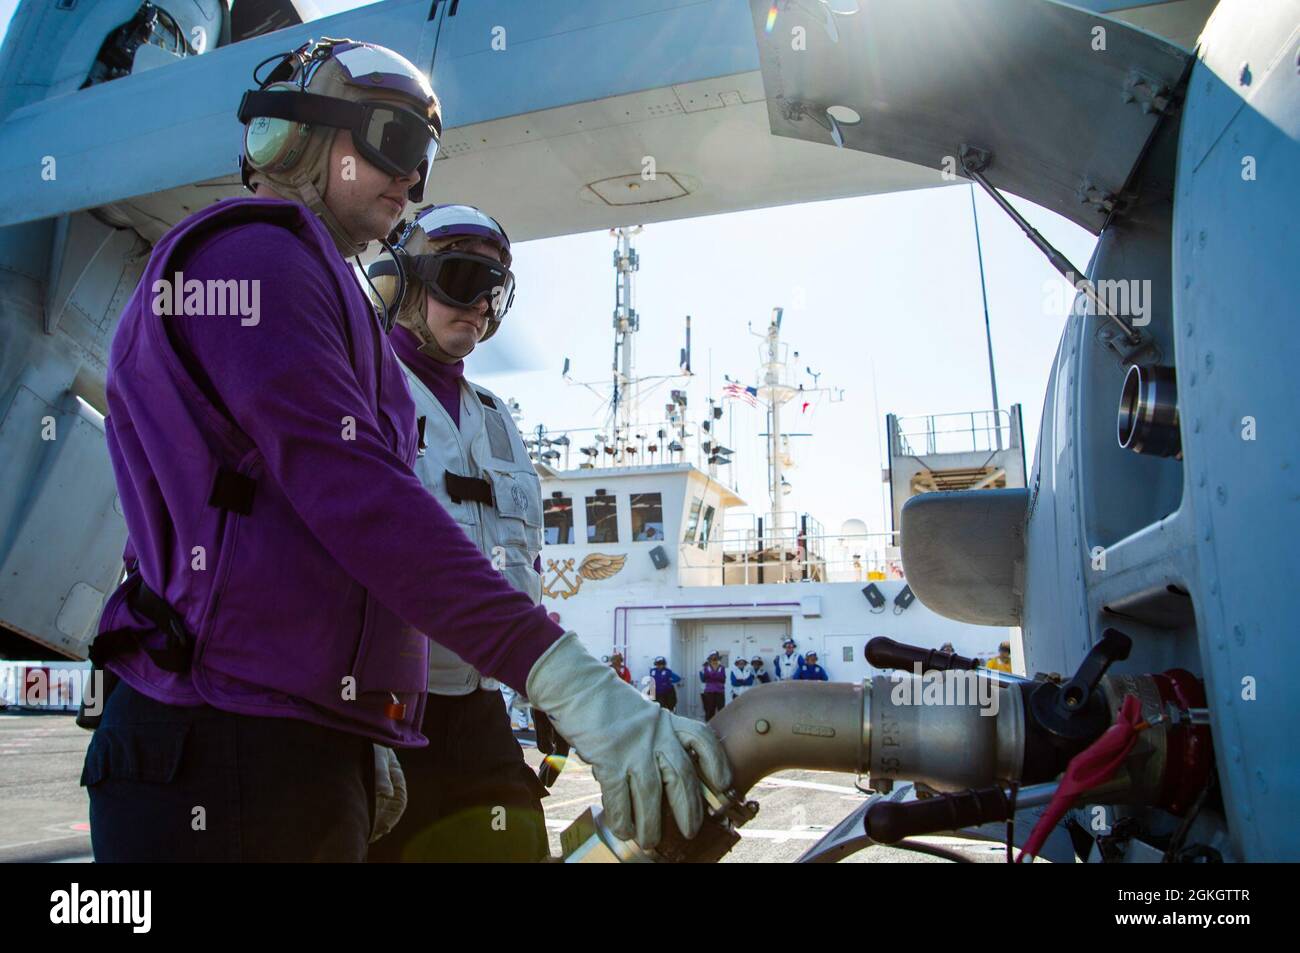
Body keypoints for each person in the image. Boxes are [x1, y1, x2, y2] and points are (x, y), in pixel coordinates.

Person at [79, 38, 729, 862]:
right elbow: (358, 497)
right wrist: (569, 681)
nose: (414, 179)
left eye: (427, 154)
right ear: (298, 135)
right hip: (225, 742)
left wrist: (363, 723)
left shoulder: (320, 287)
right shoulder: (255, 253)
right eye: (397, 141)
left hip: (287, 735)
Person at [366, 203, 557, 859]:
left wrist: (548, 684)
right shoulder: (358, 390)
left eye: (491, 289)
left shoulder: (498, 417)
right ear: (399, 282)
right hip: (384, 708)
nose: (477, 304)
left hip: (479, 706)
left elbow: (521, 561)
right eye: (458, 278)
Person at [699, 651, 727, 721]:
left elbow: (723, 679)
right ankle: (709, 727)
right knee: (710, 710)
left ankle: (721, 726)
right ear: (710, 659)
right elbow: (705, 679)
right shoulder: (706, 668)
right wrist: (716, 676)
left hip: (720, 691)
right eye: (712, 657)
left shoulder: (722, 668)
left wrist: (712, 676)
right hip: (709, 692)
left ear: (718, 658)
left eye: (715, 657)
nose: (714, 659)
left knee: (721, 710)